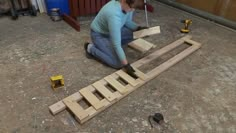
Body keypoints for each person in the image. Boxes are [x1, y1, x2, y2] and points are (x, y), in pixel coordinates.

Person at [84, 0, 147, 78]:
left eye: (134, 8)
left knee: (136, 34)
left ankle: (112, 46)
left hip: (113, 30)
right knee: (118, 63)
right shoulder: (114, 14)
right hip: (100, 35)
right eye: (131, 8)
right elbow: (116, 44)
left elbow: (127, 21)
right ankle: (90, 48)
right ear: (124, 1)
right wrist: (126, 65)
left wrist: (138, 28)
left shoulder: (128, 6)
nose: (132, 10)